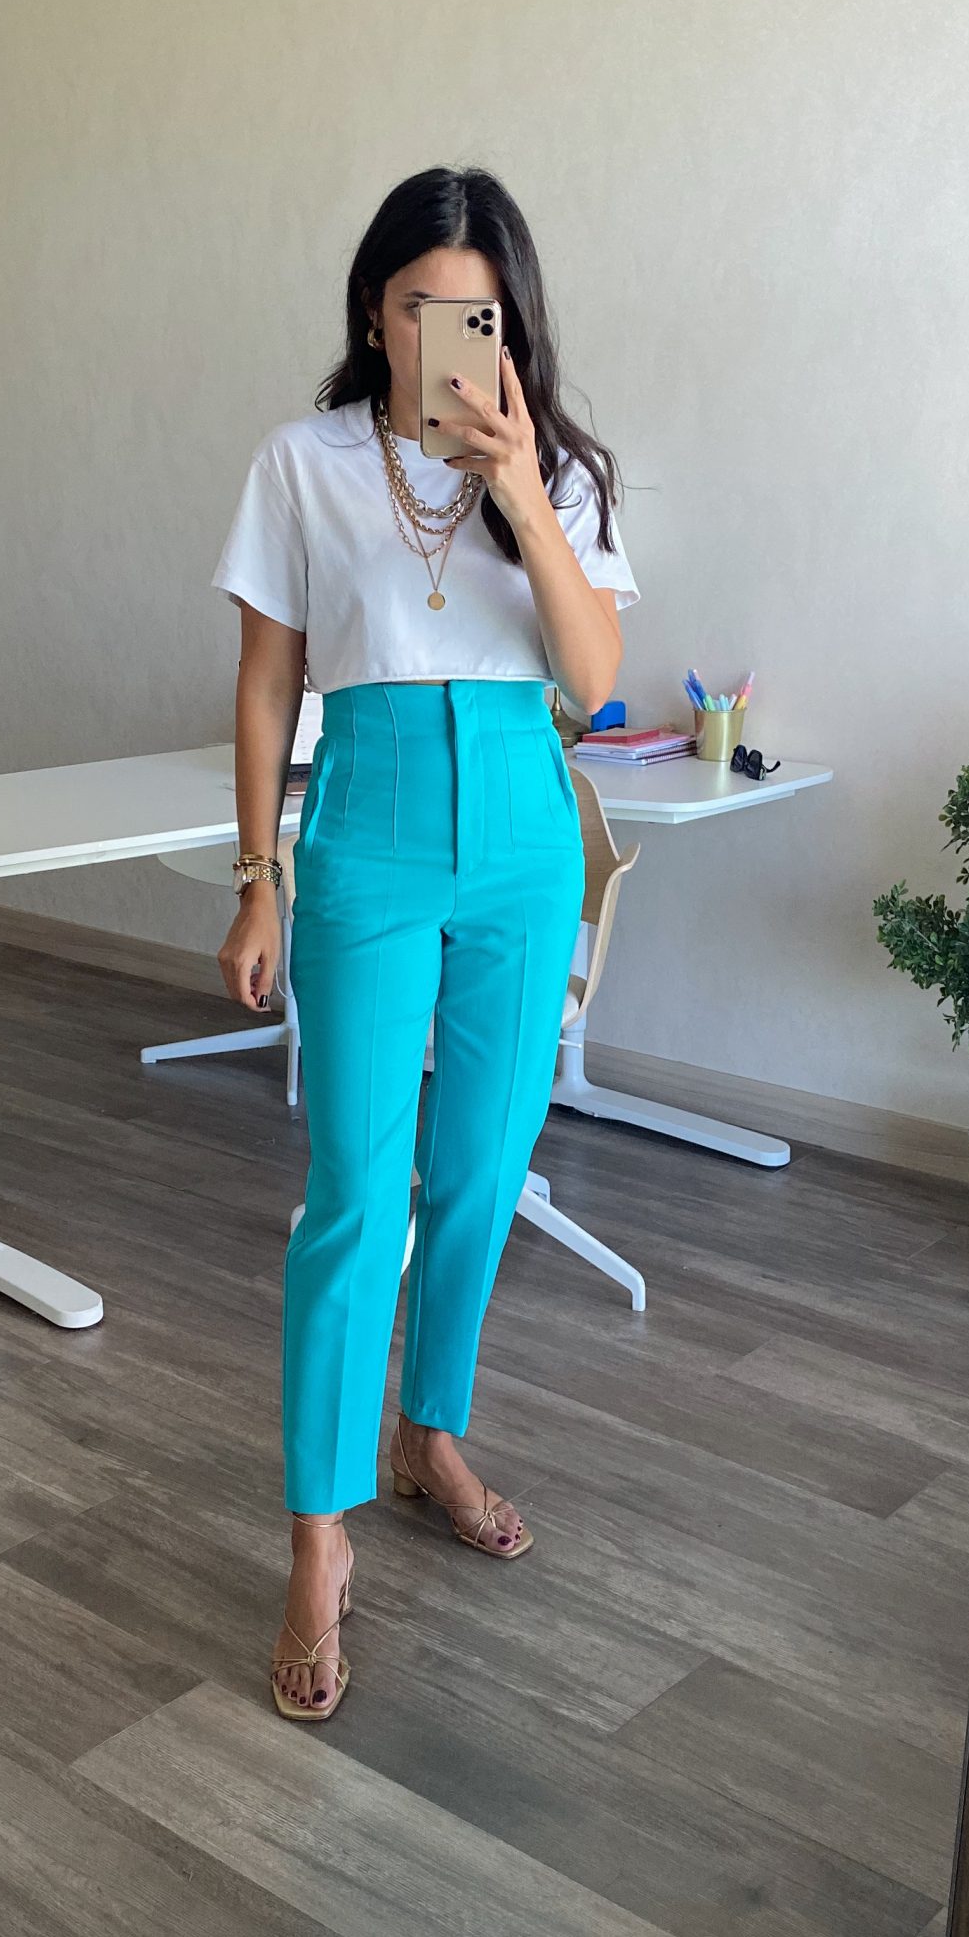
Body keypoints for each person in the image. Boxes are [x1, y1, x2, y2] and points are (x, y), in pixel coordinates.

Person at [211, 165, 636, 1722]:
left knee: (481, 1169)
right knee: (352, 1190)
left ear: (512, 323)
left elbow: (595, 683)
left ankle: (428, 1431)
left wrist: (520, 490)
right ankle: (318, 1536)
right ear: (374, 311)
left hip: (523, 834)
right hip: (370, 830)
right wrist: (257, 877)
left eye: (481, 313)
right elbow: (269, 685)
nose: (451, 339)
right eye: (419, 307)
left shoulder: (566, 474)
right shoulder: (304, 463)